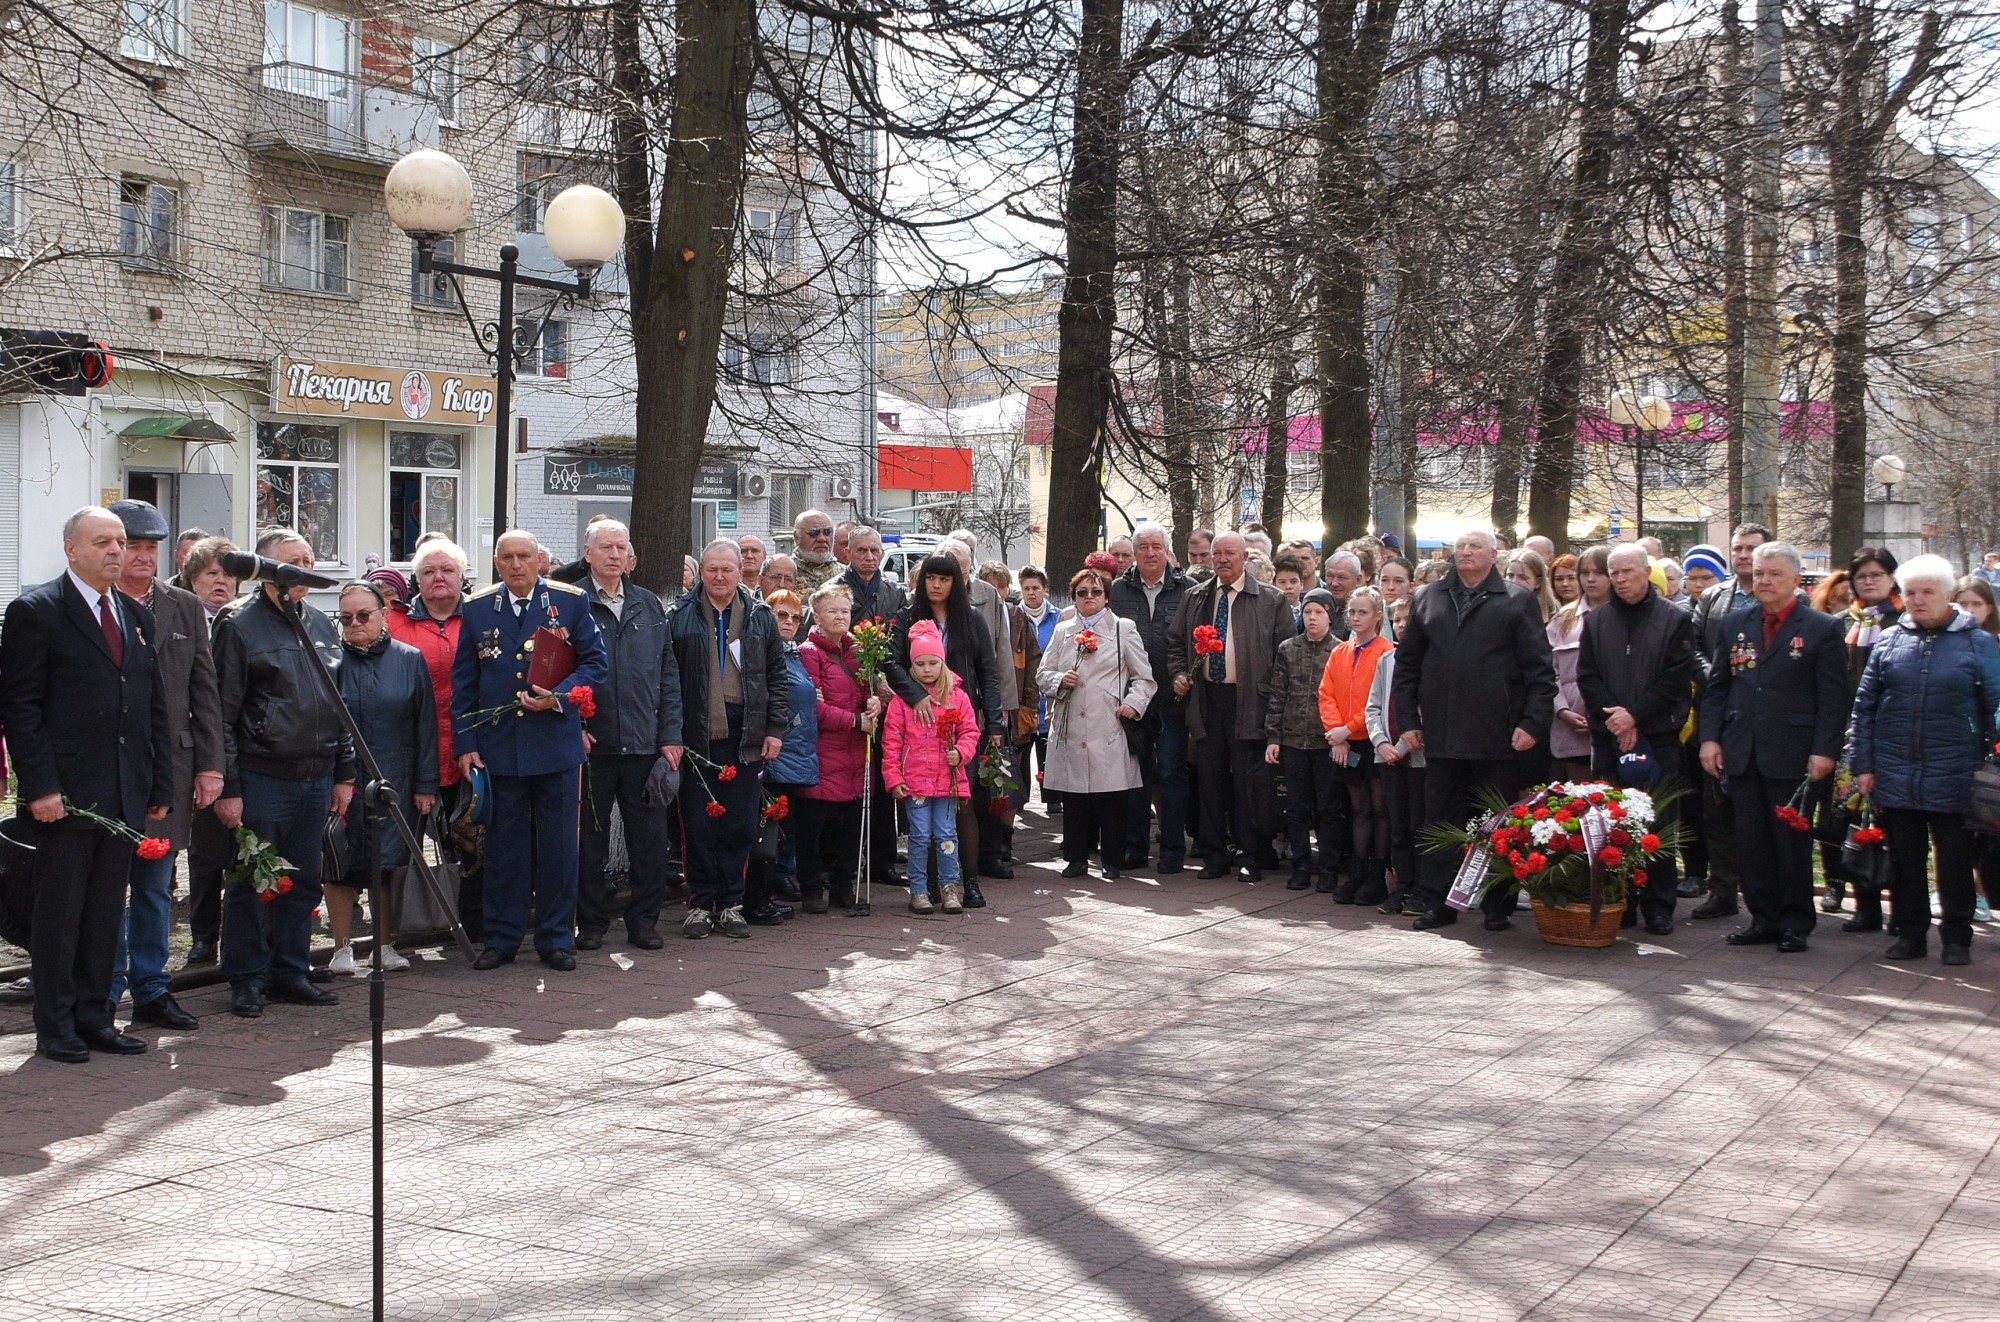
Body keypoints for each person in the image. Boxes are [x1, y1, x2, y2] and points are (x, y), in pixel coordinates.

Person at [0, 508, 174, 1062]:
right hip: (67, 796)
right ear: (71, 548)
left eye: (121, 542)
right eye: (103, 542)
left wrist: (159, 782)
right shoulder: (36, 611)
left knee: (104, 913)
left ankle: (96, 1017)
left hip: (124, 790)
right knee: (61, 915)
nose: (117, 552)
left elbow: (153, 706)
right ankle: (55, 1026)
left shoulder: (133, 613)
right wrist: (41, 787)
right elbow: (20, 708)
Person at [211, 528, 357, 1017]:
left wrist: (344, 774)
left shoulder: (319, 622)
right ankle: (247, 978)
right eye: (293, 561)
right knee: (254, 880)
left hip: (316, 776)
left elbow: (339, 707)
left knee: (305, 881)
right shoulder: (238, 625)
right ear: (269, 570)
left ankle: (290, 971)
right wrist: (229, 787)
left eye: (309, 558)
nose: (305, 568)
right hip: (261, 775)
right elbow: (222, 714)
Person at [451, 530, 609, 970]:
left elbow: (597, 664)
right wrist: (466, 744)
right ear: (497, 562)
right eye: (508, 557)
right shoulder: (479, 606)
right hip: (500, 748)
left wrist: (558, 695)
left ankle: (557, 938)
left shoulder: (570, 601)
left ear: (540, 560)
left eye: (525, 556)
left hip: (554, 744)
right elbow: (464, 683)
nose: (517, 564)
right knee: (504, 849)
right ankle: (502, 938)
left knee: (559, 847)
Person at [1393, 528, 1557, 932]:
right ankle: (1438, 902)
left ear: (1494, 554)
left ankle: (1497, 904)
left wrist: (1532, 723)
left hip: (1497, 736)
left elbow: (1540, 670)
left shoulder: (1516, 601)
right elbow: (1408, 666)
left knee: (1496, 821)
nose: (1466, 553)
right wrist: (1410, 721)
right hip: (1442, 735)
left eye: (1475, 547)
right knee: (1439, 821)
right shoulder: (1428, 598)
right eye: (1461, 547)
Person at [1848, 555, 2000, 966]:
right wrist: (1863, 765)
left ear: (1948, 595)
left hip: (1956, 772)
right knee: (1905, 861)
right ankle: (1910, 934)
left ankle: (1956, 938)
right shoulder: (1891, 639)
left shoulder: (1979, 644)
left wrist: (1988, 765)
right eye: (1911, 593)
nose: (1917, 601)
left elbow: (1995, 708)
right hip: (1896, 771)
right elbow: (1866, 707)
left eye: (1927, 593)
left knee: (1953, 861)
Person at [104, 500, 222, 1031]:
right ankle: (103, 991)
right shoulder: (93, 605)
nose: (143, 557)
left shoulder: (182, 606)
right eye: (134, 547)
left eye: (152, 548)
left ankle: (151, 989)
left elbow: (205, 690)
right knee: (104, 886)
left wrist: (210, 765)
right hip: (105, 770)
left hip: (170, 769)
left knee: (154, 884)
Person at [1698, 542, 1846, 954]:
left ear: (1797, 580)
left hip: (1795, 752)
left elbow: (1834, 700)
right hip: (1742, 748)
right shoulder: (1736, 623)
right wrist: (1710, 738)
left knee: (1789, 841)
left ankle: (1795, 921)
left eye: (1774, 574)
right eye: (1759, 573)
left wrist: (1824, 750)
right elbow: (1718, 688)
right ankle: (1762, 918)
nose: (1763, 580)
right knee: (1751, 839)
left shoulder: (1821, 628)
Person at [665, 540, 790, 937]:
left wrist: (775, 729)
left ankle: (731, 903)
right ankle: (701, 904)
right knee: (698, 825)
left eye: (727, 569)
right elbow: (668, 683)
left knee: (739, 823)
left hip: (746, 732)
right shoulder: (678, 616)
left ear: (741, 572)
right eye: (711, 569)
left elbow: (777, 677)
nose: (719, 577)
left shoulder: (760, 617)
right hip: (697, 734)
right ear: (701, 572)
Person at [572, 520, 682, 952]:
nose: (614, 554)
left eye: (621, 547)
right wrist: (573, 728)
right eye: (605, 547)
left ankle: (644, 922)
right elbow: (557, 673)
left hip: (644, 745)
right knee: (589, 842)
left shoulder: (649, 604)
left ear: (630, 556)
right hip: (592, 747)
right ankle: (592, 922)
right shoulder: (570, 603)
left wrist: (670, 735)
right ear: (588, 553)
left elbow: (668, 674)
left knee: (650, 841)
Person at [1577, 544, 1695, 934]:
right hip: (1610, 737)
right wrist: (1616, 718)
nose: (1621, 580)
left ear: (1647, 571)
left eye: (1628, 571)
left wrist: (1636, 716)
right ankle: (1618, 899)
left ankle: (1659, 905)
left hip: (1656, 736)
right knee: (1612, 822)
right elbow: (1588, 676)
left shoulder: (1674, 619)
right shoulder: (1597, 621)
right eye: (1616, 573)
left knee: (1658, 824)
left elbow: (1675, 679)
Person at [1167, 531, 1295, 882]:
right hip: (1207, 700)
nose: (1222, 559)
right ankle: (1213, 855)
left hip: (1251, 701)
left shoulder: (1270, 600)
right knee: (1209, 781)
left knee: (1248, 785)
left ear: (1244, 557)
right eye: (1216, 553)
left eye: (1230, 553)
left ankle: (1251, 854)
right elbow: (1176, 642)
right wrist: (1179, 673)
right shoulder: (1196, 597)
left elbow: (1285, 656)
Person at [327, 581, 436, 975]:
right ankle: (341, 948)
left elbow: (425, 725)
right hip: (341, 778)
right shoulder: (330, 659)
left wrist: (426, 784)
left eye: (363, 615)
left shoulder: (409, 659)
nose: (354, 623)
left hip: (395, 777)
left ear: (384, 613)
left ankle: (384, 944)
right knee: (338, 860)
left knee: (388, 862)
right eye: (346, 617)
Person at [885, 552, 1002, 906]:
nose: (937, 585)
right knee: (924, 805)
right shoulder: (906, 616)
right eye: (931, 578)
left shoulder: (972, 620)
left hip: (959, 720)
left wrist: (994, 722)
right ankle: (931, 884)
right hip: (918, 720)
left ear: (957, 583)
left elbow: (988, 672)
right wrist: (916, 695)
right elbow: (891, 662)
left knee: (960, 805)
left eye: (945, 579)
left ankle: (969, 881)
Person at [1038, 569, 1156, 880]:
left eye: (1096, 591)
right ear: (1074, 597)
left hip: (1108, 723)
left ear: (1106, 596)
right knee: (1074, 795)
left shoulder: (1122, 628)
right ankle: (1075, 858)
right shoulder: (1063, 630)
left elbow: (1143, 677)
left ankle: (1111, 860)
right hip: (1071, 723)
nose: (1089, 597)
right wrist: (1060, 680)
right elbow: (1042, 674)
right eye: (1082, 592)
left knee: (1111, 796)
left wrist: (1132, 704)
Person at [386, 538, 477, 934]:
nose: (438, 577)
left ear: (462, 576)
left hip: (469, 753)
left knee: (472, 845)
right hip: (410, 754)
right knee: (399, 845)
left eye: (447, 570)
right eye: (428, 571)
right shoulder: (393, 624)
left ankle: (472, 925)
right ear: (416, 580)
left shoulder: (481, 618)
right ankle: (395, 929)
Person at [1687, 522, 1771, 921]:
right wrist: (1716, 678)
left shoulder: (1783, 600)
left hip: (1763, 717)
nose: (1743, 555)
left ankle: (1764, 895)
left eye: (1751, 548)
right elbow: (1695, 647)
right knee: (1716, 808)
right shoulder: (1715, 597)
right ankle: (1721, 890)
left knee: (1758, 813)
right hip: (1718, 711)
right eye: (1738, 548)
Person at [171, 535, 239, 966]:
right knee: (204, 850)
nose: (221, 581)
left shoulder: (246, 620)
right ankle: (202, 935)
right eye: (211, 573)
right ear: (191, 579)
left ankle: (238, 934)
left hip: (240, 747)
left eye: (228, 574)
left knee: (241, 847)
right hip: (195, 749)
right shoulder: (179, 616)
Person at [1108, 526, 1192, 872]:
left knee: (1171, 773)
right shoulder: (1118, 590)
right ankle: (1135, 848)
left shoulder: (1188, 590)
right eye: (1143, 547)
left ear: (1167, 552)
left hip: (1173, 700)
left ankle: (1173, 849)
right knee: (1136, 776)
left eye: (1157, 546)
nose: (1150, 553)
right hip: (1133, 701)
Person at [883, 622, 981, 912]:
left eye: (933, 663)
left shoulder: (958, 697)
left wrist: (961, 753)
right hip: (915, 781)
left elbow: (970, 732)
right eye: (920, 664)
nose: (927, 669)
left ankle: (950, 886)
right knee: (920, 836)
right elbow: (892, 742)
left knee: (946, 834)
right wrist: (893, 777)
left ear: (942, 663)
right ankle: (918, 889)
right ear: (912, 666)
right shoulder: (902, 702)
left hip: (947, 781)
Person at [1832, 546, 1903, 928]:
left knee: (1895, 825)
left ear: (1892, 578)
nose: (1870, 581)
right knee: (1854, 821)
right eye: (1862, 576)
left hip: (1893, 738)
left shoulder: (1904, 620)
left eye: (1877, 574)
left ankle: (1903, 908)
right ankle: (1866, 906)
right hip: (1851, 735)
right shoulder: (1844, 622)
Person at [798, 583, 878, 913]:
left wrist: (875, 703)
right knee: (814, 829)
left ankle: (844, 887)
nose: (840, 616)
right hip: (823, 753)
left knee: (849, 828)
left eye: (845, 611)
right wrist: (855, 721)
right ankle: (812, 889)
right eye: (832, 611)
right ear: (816, 616)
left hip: (856, 754)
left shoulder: (860, 651)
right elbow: (812, 708)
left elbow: (867, 694)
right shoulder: (808, 653)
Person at [840, 526, 908, 884]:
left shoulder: (895, 592)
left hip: (889, 694)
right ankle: (849, 859)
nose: (869, 557)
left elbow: (903, 643)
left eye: (874, 551)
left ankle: (882, 860)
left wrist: (888, 681)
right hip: (849, 690)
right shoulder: (838, 589)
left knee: (884, 775)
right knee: (852, 777)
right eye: (861, 550)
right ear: (848, 552)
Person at [748, 590, 817, 924]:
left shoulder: (795, 655)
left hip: (794, 754)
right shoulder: (764, 652)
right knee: (768, 825)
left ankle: (775, 880)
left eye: (794, 617)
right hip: (773, 752)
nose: (788, 623)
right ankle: (760, 894)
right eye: (781, 615)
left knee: (782, 823)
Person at [977, 561, 1041, 865]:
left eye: (1001, 587)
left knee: (1010, 777)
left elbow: (1032, 664)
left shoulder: (1017, 617)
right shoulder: (975, 615)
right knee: (984, 777)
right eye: (991, 587)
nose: (997, 594)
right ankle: (983, 840)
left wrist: (1028, 705)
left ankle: (1004, 840)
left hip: (1013, 711)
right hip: (983, 711)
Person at [1367, 596, 1425, 915]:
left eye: (1407, 619)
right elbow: (1373, 706)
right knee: (1397, 823)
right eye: (1396, 619)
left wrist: (1402, 746)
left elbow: (1426, 710)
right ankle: (1402, 886)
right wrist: (1381, 743)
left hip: (1416, 757)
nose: (1401, 625)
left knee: (1419, 822)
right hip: (1387, 755)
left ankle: (1421, 888)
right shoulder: (1386, 660)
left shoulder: (1430, 658)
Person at [1548, 547, 1609, 783]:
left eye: (1599, 573)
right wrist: (1562, 710)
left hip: (1613, 728)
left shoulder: (1624, 617)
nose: (1591, 579)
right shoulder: (1564, 619)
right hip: (1572, 729)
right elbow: (1548, 671)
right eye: (1584, 572)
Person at [1019, 566, 1062, 806]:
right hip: (1024, 693)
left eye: (1036, 588)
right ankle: (1022, 797)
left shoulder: (1057, 618)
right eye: (1026, 588)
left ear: (1044, 590)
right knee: (1023, 747)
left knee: (1048, 746)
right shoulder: (1014, 616)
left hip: (1049, 693)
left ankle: (1052, 796)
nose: (1031, 593)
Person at [791, 509, 842, 594]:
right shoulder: (785, 574)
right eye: (813, 533)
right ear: (797, 537)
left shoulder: (846, 575)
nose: (822, 539)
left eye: (827, 532)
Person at [1505, 549, 1557, 622]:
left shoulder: (1555, 618)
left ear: (1538, 582)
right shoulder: (1496, 608)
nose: (1514, 581)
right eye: (1510, 575)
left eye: (1522, 577)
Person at [1321, 551, 1362, 641]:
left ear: (1358, 580)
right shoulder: (1316, 604)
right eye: (1330, 576)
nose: (1334, 583)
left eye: (1341, 577)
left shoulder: (1366, 612)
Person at [1273, 556, 1307, 627]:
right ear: (1274, 585)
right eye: (1282, 582)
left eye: (1293, 581)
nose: (1288, 586)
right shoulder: (1269, 614)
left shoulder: (1309, 613)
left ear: (1301, 584)